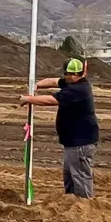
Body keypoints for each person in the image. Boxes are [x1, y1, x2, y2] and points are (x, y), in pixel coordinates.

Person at [20, 58, 99, 198]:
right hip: (72, 142)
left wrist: (28, 99)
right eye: (68, 74)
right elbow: (53, 81)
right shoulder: (70, 83)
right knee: (70, 176)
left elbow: (51, 100)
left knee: (80, 177)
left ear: (81, 74)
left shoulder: (79, 89)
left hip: (81, 142)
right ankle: (71, 202)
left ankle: (84, 205)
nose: (70, 77)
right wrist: (36, 85)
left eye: (73, 74)